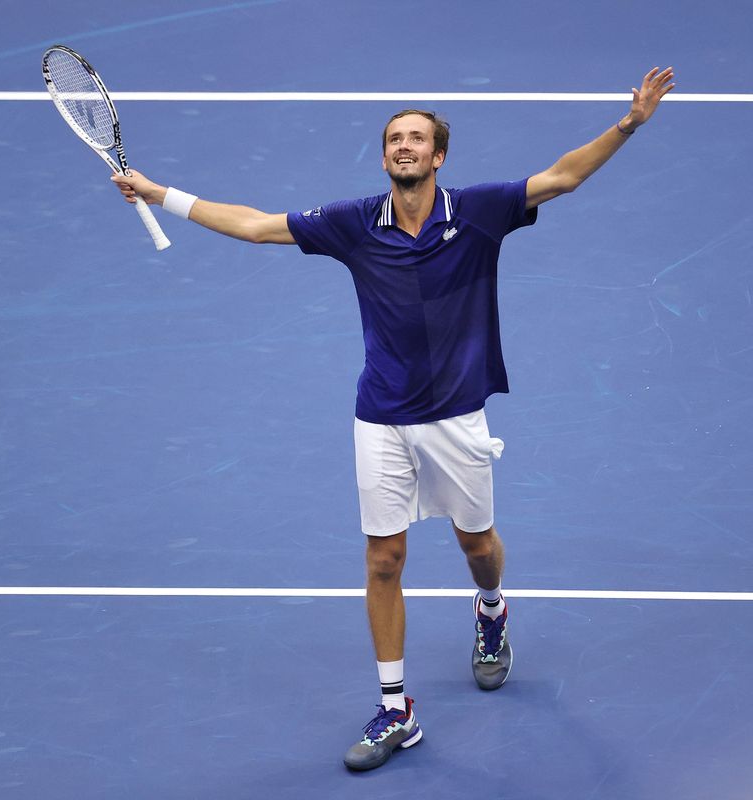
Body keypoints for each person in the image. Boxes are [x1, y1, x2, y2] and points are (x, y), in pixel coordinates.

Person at [112, 66, 676, 771]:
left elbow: (561, 178)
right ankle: (396, 708)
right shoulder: (351, 224)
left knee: (478, 547)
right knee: (384, 558)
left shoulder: (478, 211)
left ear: (438, 156)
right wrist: (159, 193)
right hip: (379, 416)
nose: (404, 146)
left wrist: (628, 125)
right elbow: (256, 227)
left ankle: (492, 609)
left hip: (456, 420)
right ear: (385, 158)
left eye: (417, 138)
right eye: (394, 139)